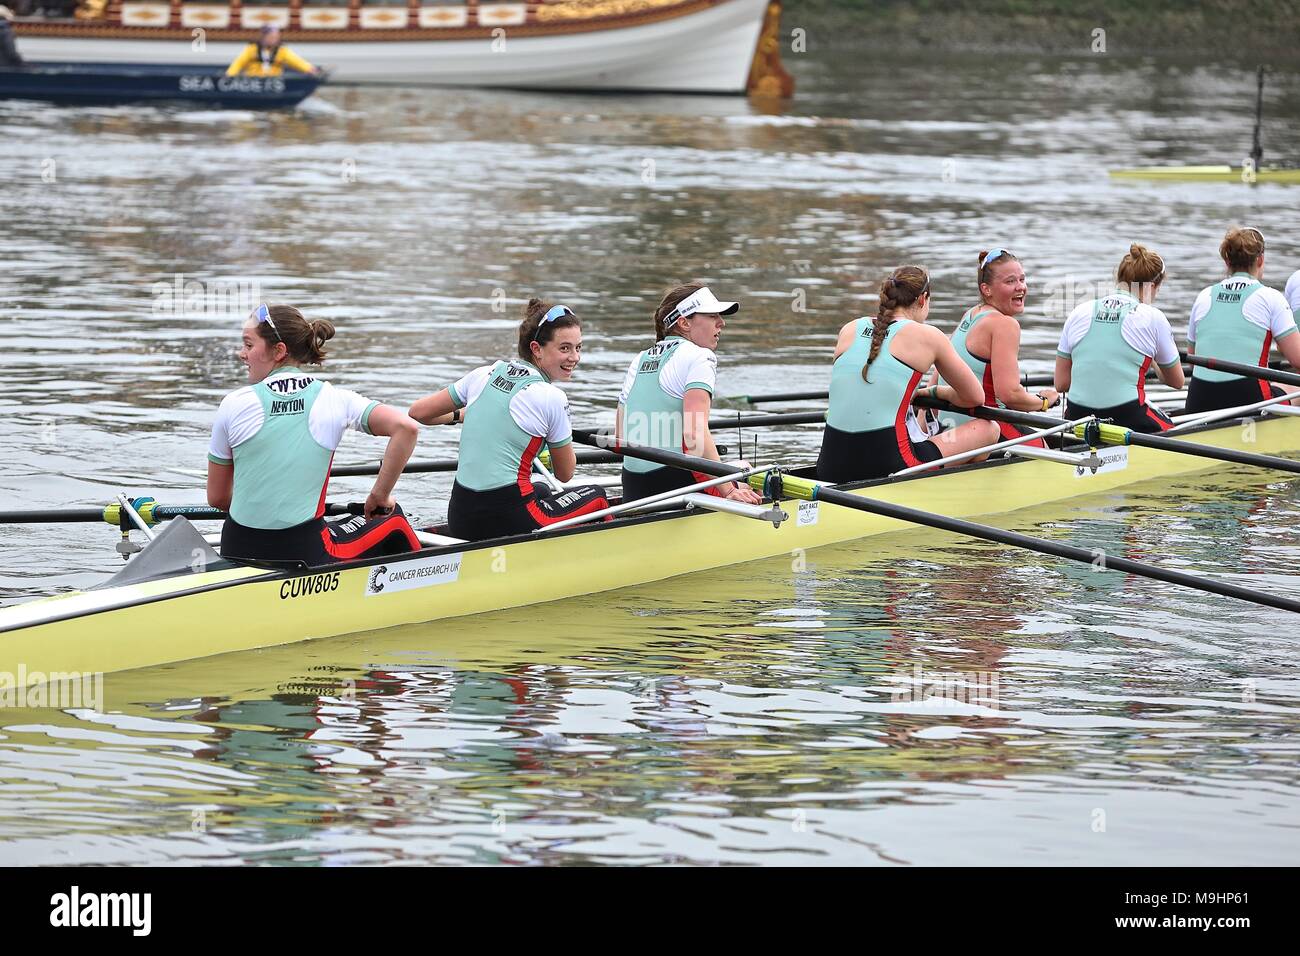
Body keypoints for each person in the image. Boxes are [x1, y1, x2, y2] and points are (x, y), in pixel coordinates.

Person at [207, 304, 420, 564]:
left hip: (237, 549)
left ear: (279, 351)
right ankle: (428, 581)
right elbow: (406, 428)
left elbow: (217, 498)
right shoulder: (336, 399)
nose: (241, 354)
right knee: (392, 515)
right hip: (304, 554)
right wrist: (379, 496)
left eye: (249, 345)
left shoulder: (232, 403)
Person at [409, 299, 610, 541]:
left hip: (461, 517)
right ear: (536, 349)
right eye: (565, 348)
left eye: (578, 347)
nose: (574, 357)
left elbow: (419, 412)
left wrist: (464, 415)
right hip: (507, 521)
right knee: (596, 495)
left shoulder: (485, 373)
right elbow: (565, 474)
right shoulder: (551, 397)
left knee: (543, 489)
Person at [816, 266, 999, 483]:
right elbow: (974, 397)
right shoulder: (928, 335)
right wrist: (936, 392)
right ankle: (959, 492)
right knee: (988, 428)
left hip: (829, 467)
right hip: (891, 465)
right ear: (923, 299)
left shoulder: (850, 329)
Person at [616, 283, 763, 504]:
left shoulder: (639, 359)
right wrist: (728, 491)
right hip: (674, 484)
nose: (721, 323)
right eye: (712, 316)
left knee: (735, 469)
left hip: (634, 486)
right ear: (684, 323)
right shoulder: (700, 356)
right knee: (752, 477)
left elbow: (620, 436)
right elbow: (694, 433)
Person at [1055, 244, 1183, 432]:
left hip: (1077, 416)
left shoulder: (1079, 311)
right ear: (1153, 286)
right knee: (1176, 429)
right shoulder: (1153, 316)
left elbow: (1061, 384)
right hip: (1127, 416)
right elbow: (1177, 381)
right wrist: (1153, 358)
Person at [939, 249, 1059, 444]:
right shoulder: (1005, 325)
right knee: (1048, 449)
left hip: (950, 425)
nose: (1021, 287)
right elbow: (1010, 394)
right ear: (986, 289)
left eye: (1022, 279)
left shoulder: (971, 314)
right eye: (1010, 281)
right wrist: (1044, 401)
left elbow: (938, 373)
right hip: (988, 425)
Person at [1184, 226, 1300, 414]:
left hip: (1199, 400)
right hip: (1250, 402)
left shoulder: (1204, 296)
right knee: (1295, 388)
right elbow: (1298, 359)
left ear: (1227, 261)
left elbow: (1192, 360)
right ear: (1260, 260)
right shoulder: (1270, 297)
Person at [226, 26, 320, 78]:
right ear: (263, 37)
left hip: (274, 81)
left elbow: (297, 62)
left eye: (276, 38)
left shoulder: (282, 51)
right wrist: (230, 75)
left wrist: (310, 69)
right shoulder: (251, 49)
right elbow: (238, 63)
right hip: (254, 81)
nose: (274, 40)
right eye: (271, 37)